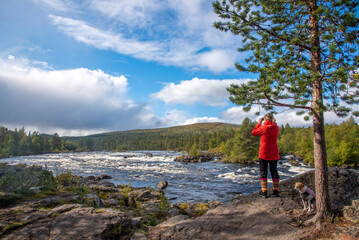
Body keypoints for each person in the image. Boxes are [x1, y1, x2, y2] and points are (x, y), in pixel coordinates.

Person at [252, 113, 280, 198]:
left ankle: (264, 192)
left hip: (264, 153)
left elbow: (254, 133)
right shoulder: (276, 128)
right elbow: (274, 125)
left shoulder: (263, 127)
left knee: (263, 172)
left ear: (265, 119)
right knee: (274, 171)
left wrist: (258, 123)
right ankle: (276, 191)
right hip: (274, 153)